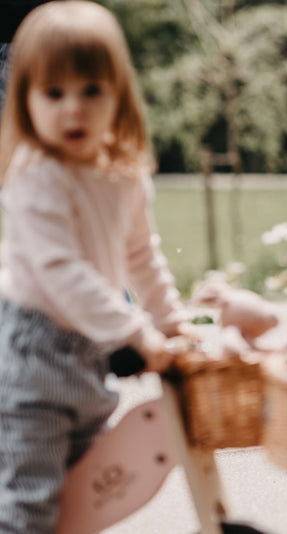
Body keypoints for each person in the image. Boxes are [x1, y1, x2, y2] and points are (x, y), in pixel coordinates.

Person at [0, 2, 193, 531]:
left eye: (91, 91)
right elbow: (63, 273)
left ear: (118, 94)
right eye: (54, 93)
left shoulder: (122, 172)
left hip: (91, 354)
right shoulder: (36, 175)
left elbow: (141, 254)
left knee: (82, 499)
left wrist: (170, 322)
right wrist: (136, 330)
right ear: (26, 100)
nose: (73, 110)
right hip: (33, 362)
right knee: (30, 505)